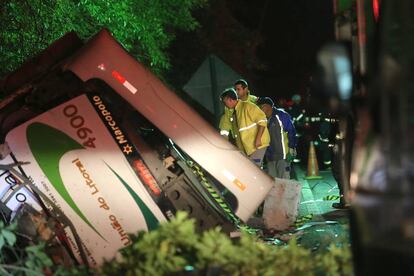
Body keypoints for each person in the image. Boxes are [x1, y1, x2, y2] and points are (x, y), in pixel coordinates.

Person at [220, 88, 270, 167]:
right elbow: (225, 128)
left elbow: (262, 120)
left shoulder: (247, 106)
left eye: (224, 102)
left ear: (230, 100)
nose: (224, 105)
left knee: (254, 169)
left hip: (258, 145)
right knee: (254, 169)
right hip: (248, 147)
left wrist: (258, 139)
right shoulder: (233, 112)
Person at [257, 97, 297, 179]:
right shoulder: (262, 119)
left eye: (261, 107)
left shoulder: (281, 115)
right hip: (270, 157)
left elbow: (291, 131)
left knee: (284, 181)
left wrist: (291, 149)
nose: (259, 109)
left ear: (268, 106)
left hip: (283, 156)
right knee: (273, 183)